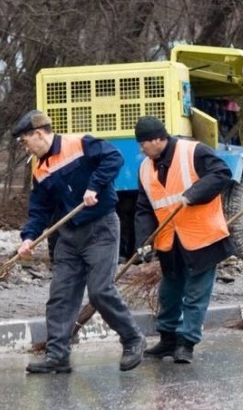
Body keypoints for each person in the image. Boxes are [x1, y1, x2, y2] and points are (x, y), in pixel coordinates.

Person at [13, 110, 146, 373]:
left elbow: (113, 158)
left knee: (100, 291)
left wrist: (94, 186)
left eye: (24, 141)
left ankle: (133, 339)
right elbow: (39, 208)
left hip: (100, 228)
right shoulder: (40, 169)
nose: (24, 146)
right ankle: (58, 356)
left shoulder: (80, 143)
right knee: (60, 296)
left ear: (38, 134)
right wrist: (29, 237)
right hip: (69, 236)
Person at [134, 116, 234, 364]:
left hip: (202, 236)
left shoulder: (194, 151)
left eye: (143, 143)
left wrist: (194, 193)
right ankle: (168, 339)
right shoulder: (146, 168)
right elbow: (144, 208)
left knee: (196, 294)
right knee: (169, 293)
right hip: (169, 241)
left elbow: (222, 174)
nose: (141, 149)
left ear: (158, 139)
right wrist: (144, 240)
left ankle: (187, 343)